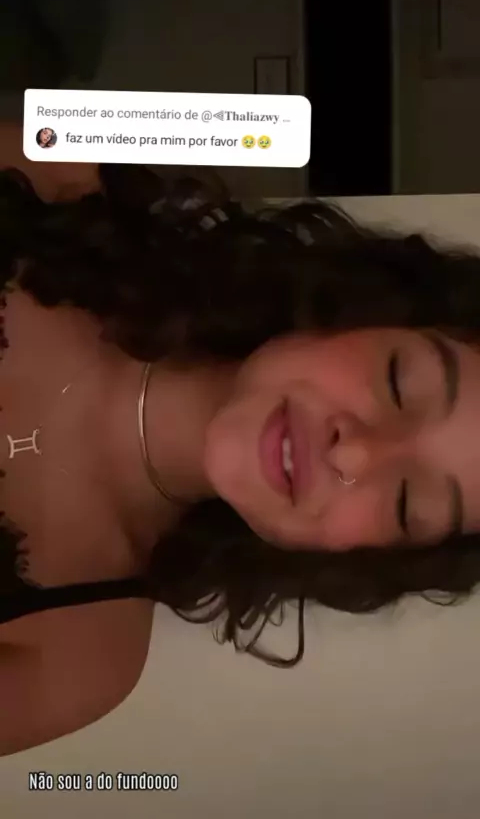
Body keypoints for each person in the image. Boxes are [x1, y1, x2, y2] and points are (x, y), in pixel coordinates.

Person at [2, 159, 480, 758]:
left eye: (407, 503)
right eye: (398, 383)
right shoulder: (63, 174)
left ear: (362, 556)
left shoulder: (78, 665)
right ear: (363, 309)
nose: (356, 450)